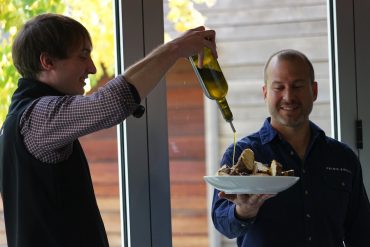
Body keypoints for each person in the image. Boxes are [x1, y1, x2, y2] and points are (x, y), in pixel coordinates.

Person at [0, 13, 217, 247]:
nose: (92, 68)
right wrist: (175, 48)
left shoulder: (19, 119)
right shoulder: (38, 118)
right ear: (47, 62)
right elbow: (112, 102)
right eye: (83, 56)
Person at [211, 49, 370, 247]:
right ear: (265, 93)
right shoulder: (240, 155)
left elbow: (362, 234)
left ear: (314, 91)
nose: (288, 96)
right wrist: (243, 212)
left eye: (297, 86)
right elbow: (222, 223)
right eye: (279, 87)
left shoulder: (343, 158)